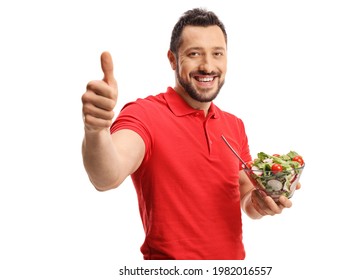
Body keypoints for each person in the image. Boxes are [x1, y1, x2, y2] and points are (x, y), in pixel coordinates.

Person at [81, 8, 298, 260]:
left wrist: (262, 201)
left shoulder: (234, 125)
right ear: (173, 59)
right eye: (194, 54)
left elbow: (246, 196)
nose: (208, 66)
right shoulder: (144, 114)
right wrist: (95, 130)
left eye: (217, 54)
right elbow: (106, 176)